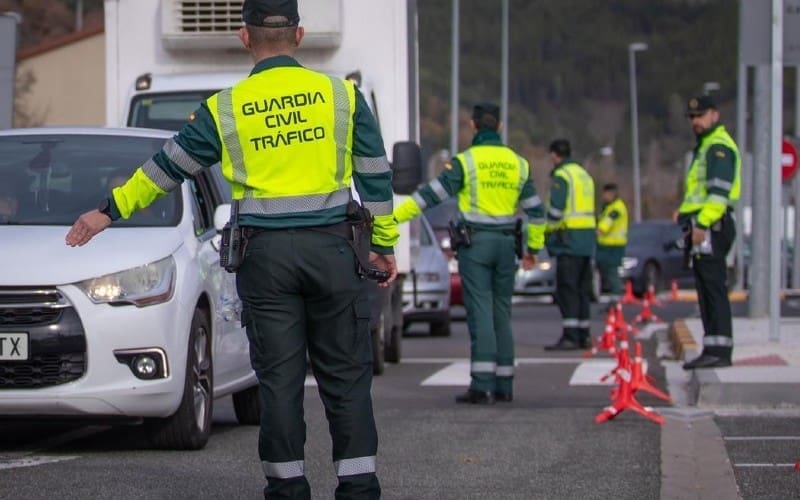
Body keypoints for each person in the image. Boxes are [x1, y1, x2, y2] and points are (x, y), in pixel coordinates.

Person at [65, 0, 397, 497]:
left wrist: (107, 210)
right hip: (333, 252)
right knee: (346, 380)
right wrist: (383, 245)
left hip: (266, 262)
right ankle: (359, 488)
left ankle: (287, 490)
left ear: (245, 37)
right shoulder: (343, 96)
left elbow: (166, 167)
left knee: (280, 384)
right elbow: (375, 178)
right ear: (299, 36)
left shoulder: (226, 108)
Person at [393, 102, 546, 405]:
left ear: (473, 126)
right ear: (499, 127)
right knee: (501, 312)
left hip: (476, 245)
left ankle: (482, 385)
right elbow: (537, 213)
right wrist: (533, 249)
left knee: (480, 312)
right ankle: (504, 384)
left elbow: (428, 197)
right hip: (506, 246)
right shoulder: (519, 163)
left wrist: (392, 217)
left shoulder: (466, 162)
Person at [679, 94, 740, 370]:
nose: (695, 121)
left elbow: (718, 195)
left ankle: (720, 350)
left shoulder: (718, 148)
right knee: (706, 288)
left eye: (700, 116)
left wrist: (701, 224)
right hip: (704, 225)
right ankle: (713, 346)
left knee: (713, 288)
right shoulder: (705, 146)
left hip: (712, 227)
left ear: (714, 115)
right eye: (692, 117)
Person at [543, 139, 597, 351]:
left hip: (569, 239)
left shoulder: (562, 176)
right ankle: (584, 334)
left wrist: (546, 231)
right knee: (583, 290)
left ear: (555, 155)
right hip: (586, 240)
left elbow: (556, 211)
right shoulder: (584, 175)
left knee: (568, 290)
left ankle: (570, 335)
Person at [595, 183, 628, 303]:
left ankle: (616, 301)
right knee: (606, 273)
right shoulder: (608, 207)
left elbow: (608, 222)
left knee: (612, 273)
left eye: (607, 194)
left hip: (614, 246)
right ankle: (612, 300)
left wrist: (600, 230)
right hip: (605, 245)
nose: (605, 196)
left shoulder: (617, 208)